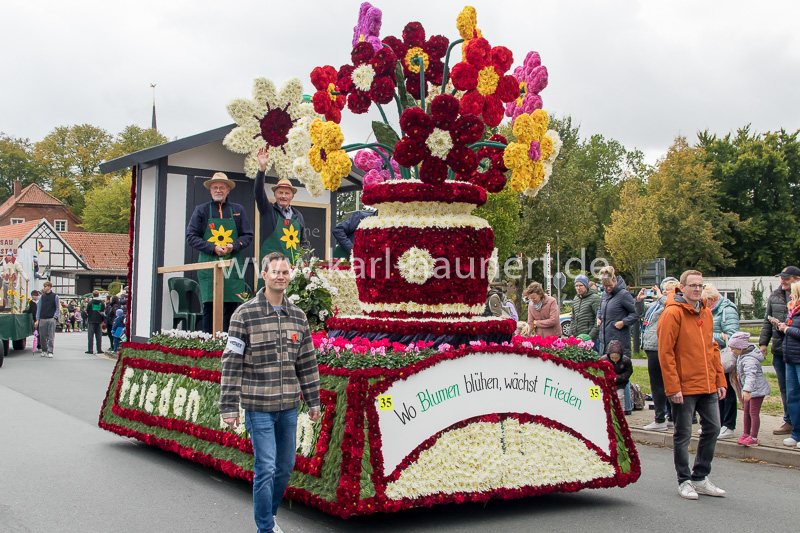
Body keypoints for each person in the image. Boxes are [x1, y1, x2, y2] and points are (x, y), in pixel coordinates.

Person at [220, 252, 321, 533]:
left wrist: (313, 401)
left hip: (288, 407)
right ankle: (264, 528)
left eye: (285, 272)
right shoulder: (244, 315)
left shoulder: (298, 317)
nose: (281, 276)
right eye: (275, 271)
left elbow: (307, 363)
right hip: (258, 406)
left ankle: (270, 515)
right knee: (265, 466)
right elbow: (231, 362)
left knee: (285, 466)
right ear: (264, 275)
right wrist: (229, 407)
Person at [658, 270, 727, 500]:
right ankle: (684, 480)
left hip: (707, 384)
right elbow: (665, 353)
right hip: (684, 386)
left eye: (700, 285)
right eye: (693, 285)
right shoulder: (672, 313)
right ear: (682, 287)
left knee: (713, 428)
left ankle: (700, 476)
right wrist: (673, 387)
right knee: (683, 433)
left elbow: (712, 348)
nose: (697, 289)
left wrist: (720, 379)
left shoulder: (705, 312)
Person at [186, 172, 254, 333]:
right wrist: (212, 248)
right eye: (215, 187)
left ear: (228, 190)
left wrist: (234, 246)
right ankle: (209, 341)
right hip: (209, 267)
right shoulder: (201, 210)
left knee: (232, 307)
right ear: (210, 190)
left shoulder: (238, 210)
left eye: (222, 187)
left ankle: (230, 341)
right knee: (209, 306)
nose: (218, 190)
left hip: (232, 267)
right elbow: (191, 237)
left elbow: (248, 235)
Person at [254, 147, 309, 287]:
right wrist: (262, 169)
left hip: (293, 270)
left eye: (287, 193)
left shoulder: (298, 216)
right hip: (271, 268)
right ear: (275, 194)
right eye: (280, 192)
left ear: (292, 196)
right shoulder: (267, 211)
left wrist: (305, 263)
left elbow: (303, 242)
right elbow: (258, 192)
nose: (283, 196)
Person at [759, 265, 800, 435]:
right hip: (780, 348)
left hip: (795, 349)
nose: (782, 280)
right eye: (781, 277)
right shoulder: (775, 295)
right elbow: (766, 321)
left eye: (786, 278)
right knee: (786, 389)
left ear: (797, 280)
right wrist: (763, 343)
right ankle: (789, 421)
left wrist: (787, 328)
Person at [636, 277, 679, 431]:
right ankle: (667, 417)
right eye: (663, 289)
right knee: (659, 384)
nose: (663, 292)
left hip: (659, 346)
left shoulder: (672, 304)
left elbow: (670, 305)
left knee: (661, 384)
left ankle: (661, 418)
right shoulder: (656, 305)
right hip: (651, 346)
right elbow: (640, 312)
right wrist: (639, 301)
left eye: (668, 290)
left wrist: (661, 297)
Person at [703, 284, 740, 439]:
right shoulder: (710, 310)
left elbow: (733, 335)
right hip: (712, 355)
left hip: (724, 355)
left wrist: (708, 337)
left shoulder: (727, 310)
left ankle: (728, 425)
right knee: (716, 390)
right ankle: (717, 423)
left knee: (727, 390)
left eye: (705, 301)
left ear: (712, 299)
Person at [727, 331, 770, 446]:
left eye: (733, 348)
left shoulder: (750, 360)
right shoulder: (742, 356)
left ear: (741, 348)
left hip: (756, 390)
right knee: (746, 412)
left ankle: (754, 437)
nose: (732, 351)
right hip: (749, 390)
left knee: (753, 413)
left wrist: (746, 391)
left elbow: (751, 376)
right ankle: (746, 433)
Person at [776, 280, 800, 449]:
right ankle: (796, 433)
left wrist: (787, 329)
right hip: (790, 359)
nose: (790, 295)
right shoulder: (793, 311)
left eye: (793, 292)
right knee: (792, 397)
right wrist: (782, 327)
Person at [596, 266, 637, 356]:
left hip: (619, 342)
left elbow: (635, 314)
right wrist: (598, 317)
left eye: (610, 286)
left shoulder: (623, 295)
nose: (608, 288)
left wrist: (624, 322)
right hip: (604, 343)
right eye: (605, 286)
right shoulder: (604, 295)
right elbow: (600, 308)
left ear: (615, 281)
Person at [601, 340, 633, 415]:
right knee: (605, 396)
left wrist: (618, 378)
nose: (614, 359)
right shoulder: (604, 360)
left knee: (620, 396)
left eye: (617, 357)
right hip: (607, 382)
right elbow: (600, 371)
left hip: (620, 383)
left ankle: (621, 412)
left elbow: (628, 372)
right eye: (612, 357)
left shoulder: (626, 361)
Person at [569, 274, 601, 344]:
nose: (578, 288)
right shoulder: (576, 299)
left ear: (586, 286)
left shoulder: (595, 298)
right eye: (576, 286)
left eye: (581, 285)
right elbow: (573, 318)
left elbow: (599, 319)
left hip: (591, 340)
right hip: (577, 339)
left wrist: (589, 337)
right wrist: (571, 334)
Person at [34, 281, 59, 358]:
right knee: (42, 336)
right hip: (43, 318)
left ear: (49, 287)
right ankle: (44, 350)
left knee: (51, 336)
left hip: (51, 318)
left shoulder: (55, 296)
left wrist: (54, 317)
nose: (44, 288)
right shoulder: (42, 297)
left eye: (45, 286)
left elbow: (57, 307)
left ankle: (50, 351)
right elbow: (39, 308)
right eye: (44, 286)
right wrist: (37, 319)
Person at [85, 290, 106, 355]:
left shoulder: (90, 303)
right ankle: (99, 349)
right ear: (98, 295)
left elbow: (87, 310)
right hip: (99, 320)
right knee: (99, 336)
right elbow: (103, 310)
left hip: (91, 320)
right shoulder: (101, 303)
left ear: (92, 295)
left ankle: (90, 349)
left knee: (90, 336)